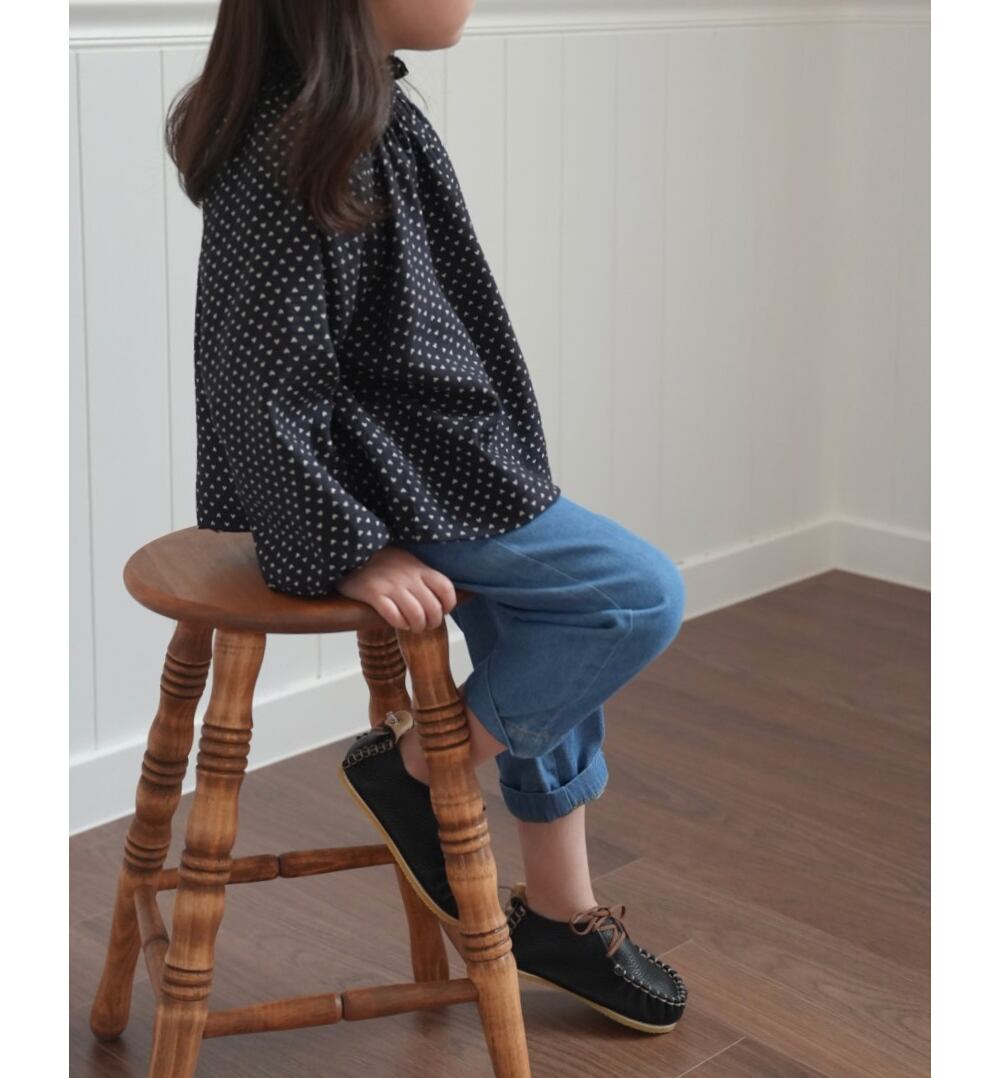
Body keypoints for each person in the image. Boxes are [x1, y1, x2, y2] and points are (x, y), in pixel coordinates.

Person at [168, 0, 688, 1034]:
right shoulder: (297, 147)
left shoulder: (362, 115)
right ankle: (417, 773)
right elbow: (256, 385)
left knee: (544, 628)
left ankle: (560, 913)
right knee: (633, 596)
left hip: (446, 463)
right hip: (399, 480)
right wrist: (351, 547)